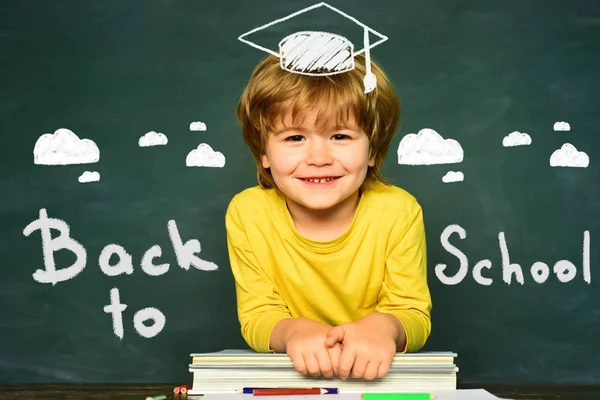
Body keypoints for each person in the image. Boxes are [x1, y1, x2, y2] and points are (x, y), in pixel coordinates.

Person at [225, 53, 432, 381]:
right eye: (295, 138)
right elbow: (257, 315)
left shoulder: (399, 211)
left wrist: (384, 328)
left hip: (376, 381)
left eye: (340, 136)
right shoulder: (247, 213)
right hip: (292, 382)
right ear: (263, 151)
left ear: (373, 150)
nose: (319, 158)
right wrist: (293, 332)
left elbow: (413, 313)